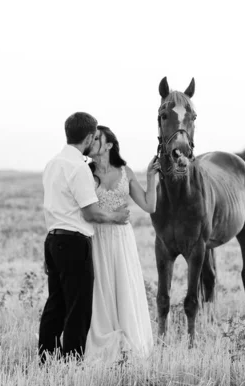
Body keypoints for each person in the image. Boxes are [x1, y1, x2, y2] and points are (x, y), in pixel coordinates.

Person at [39, 112, 130, 364]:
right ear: (89, 137)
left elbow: (52, 206)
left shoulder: (53, 163)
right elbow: (91, 212)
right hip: (75, 242)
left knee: (55, 305)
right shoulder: (78, 167)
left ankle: (46, 359)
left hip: (53, 239)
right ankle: (72, 363)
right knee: (79, 308)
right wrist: (116, 216)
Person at [84, 125, 160, 363]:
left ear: (109, 145)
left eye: (97, 138)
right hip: (96, 237)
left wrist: (150, 178)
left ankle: (129, 345)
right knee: (100, 289)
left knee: (124, 286)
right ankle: (101, 343)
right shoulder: (85, 172)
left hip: (121, 239)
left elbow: (150, 206)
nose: (92, 140)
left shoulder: (125, 171)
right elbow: (85, 211)